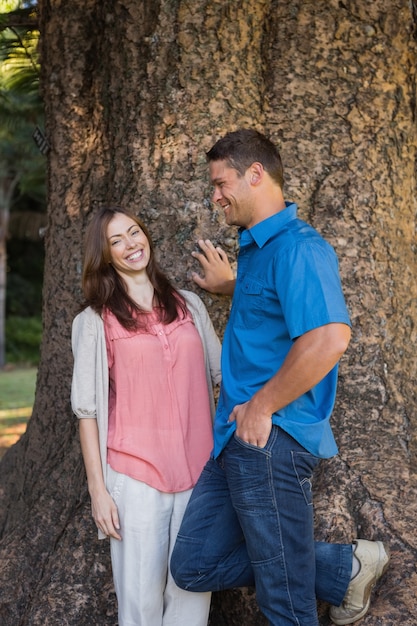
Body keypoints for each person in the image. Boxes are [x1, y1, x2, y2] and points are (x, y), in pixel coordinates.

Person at [170, 129, 390, 626]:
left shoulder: (299, 248)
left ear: (255, 175)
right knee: (193, 564)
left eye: (220, 183)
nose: (214, 196)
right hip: (233, 439)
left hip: (270, 439)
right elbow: (274, 315)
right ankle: (342, 569)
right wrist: (232, 288)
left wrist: (263, 406)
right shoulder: (256, 251)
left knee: (283, 603)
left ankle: (328, 568)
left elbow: (329, 338)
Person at [71, 206, 221, 626]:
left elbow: (223, 373)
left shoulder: (189, 305)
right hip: (135, 479)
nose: (130, 244)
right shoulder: (94, 321)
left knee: (192, 596)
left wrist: (233, 288)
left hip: (199, 474)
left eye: (134, 232)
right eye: (116, 241)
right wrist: (98, 491)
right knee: (140, 604)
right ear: (104, 255)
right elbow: (87, 411)